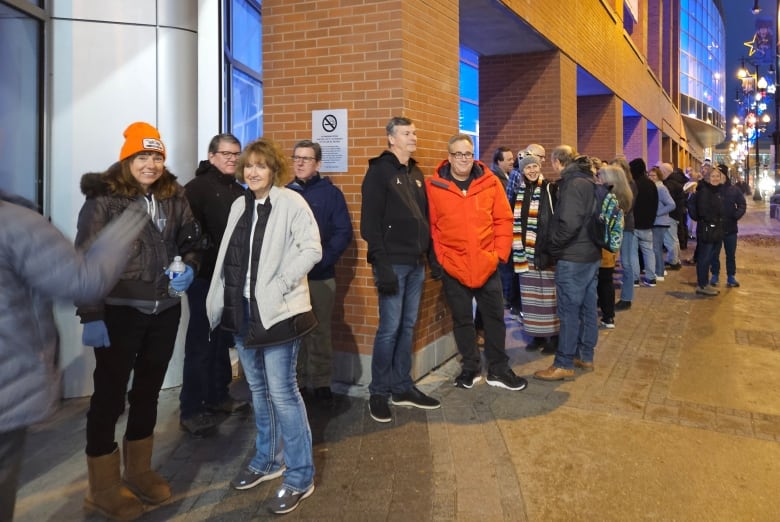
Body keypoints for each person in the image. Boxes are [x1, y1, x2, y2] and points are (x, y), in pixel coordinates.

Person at [75, 122, 201, 519]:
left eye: (157, 157)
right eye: (143, 157)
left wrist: (191, 268)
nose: (151, 164)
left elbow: (192, 241)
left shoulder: (174, 195)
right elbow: (86, 259)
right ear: (128, 158)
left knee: (146, 392)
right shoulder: (104, 200)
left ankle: (139, 470)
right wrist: (92, 314)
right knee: (109, 397)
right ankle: (103, 486)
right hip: (119, 312)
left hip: (163, 311)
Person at [0, 190, 147, 522]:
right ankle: (105, 489)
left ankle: (136, 473)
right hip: (8, 384)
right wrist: (121, 233)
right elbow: (81, 280)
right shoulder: (15, 222)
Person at [206, 137, 321, 514]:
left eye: (261, 166)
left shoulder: (291, 202)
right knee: (257, 390)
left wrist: (281, 282)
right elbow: (228, 255)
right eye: (249, 166)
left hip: (278, 312)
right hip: (242, 311)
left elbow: (311, 249)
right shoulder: (240, 204)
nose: (253, 172)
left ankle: (300, 475)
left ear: (274, 170)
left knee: (283, 393)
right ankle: (270, 460)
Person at [426, 134, 528, 391]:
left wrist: (498, 254)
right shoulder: (434, 186)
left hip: (487, 264)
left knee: (494, 319)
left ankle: (498, 369)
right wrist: (442, 259)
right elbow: (433, 228)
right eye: (458, 154)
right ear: (449, 157)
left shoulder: (489, 182)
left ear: (474, 156)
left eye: (468, 154)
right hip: (454, 267)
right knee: (462, 321)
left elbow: (503, 220)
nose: (464, 159)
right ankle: (470, 368)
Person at [360, 116, 441, 423]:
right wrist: (383, 266)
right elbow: (370, 223)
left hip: (416, 264)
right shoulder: (379, 172)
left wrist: (431, 259)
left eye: (414, 132)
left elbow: (425, 218)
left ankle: (401, 386)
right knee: (389, 330)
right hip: (392, 264)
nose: (413, 137)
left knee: (407, 328)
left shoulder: (416, 172)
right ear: (391, 139)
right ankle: (378, 392)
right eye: (407, 133)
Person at [179, 133, 248, 438]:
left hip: (229, 277)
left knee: (221, 339)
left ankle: (219, 397)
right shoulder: (195, 189)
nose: (231, 158)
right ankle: (192, 409)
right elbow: (187, 234)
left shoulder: (237, 189)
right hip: (205, 277)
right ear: (211, 156)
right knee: (201, 342)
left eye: (235, 154)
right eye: (225, 154)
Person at [287, 140, 353, 401]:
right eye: (297, 158)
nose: (301, 163)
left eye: (307, 158)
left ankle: (321, 382)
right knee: (295, 331)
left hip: (320, 276)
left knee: (320, 330)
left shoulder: (331, 194)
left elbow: (342, 232)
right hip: (292, 279)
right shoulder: (284, 194)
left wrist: (321, 260)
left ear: (318, 164)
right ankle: (299, 381)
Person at [534, 149, 601, 381]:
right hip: (591, 253)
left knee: (569, 311)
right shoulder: (588, 179)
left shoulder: (572, 184)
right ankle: (585, 355)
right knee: (588, 308)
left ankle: (563, 362)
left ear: (556, 162)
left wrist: (553, 247)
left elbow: (569, 223)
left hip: (573, 256)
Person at [506, 154, 559, 353]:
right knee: (531, 301)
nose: (532, 170)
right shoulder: (518, 193)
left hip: (545, 253)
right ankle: (536, 336)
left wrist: (550, 249)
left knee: (549, 299)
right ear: (522, 171)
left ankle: (553, 338)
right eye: (527, 168)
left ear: (540, 167)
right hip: (525, 256)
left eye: (534, 166)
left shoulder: (550, 189)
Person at [596, 166, 634, 329]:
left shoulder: (608, 198)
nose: (597, 179)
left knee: (603, 280)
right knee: (607, 280)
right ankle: (608, 315)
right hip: (612, 243)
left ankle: (607, 314)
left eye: (600, 176)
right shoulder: (624, 197)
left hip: (603, 244)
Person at [687, 165, 723, 296]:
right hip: (707, 228)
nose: (715, 178)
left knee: (709, 256)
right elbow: (703, 211)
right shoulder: (704, 191)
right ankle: (702, 284)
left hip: (715, 228)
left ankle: (704, 283)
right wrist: (712, 220)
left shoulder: (716, 190)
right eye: (712, 176)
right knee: (704, 257)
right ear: (708, 177)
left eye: (717, 176)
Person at [709, 164, 746, 288]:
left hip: (730, 229)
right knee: (714, 253)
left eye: (720, 174)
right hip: (716, 228)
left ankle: (731, 276)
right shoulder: (712, 189)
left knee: (730, 254)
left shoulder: (734, 190)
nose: (718, 177)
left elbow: (742, 204)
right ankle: (715, 275)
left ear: (724, 175)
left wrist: (735, 215)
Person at [610, 157, 638, 311]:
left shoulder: (631, 185)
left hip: (626, 227)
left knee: (626, 263)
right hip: (614, 226)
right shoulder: (612, 185)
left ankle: (627, 297)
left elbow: (627, 206)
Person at [629, 158, 659, 286]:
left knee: (633, 252)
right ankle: (650, 277)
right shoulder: (651, 184)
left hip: (634, 224)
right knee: (648, 251)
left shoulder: (632, 184)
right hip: (647, 224)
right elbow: (655, 203)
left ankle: (635, 278)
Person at [647, 166, 676, 282]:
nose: (651, 177)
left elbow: (671, 204)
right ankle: (660, 269)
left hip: (660, 222)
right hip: (656, 221)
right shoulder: (654, 187)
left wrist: (657, 213)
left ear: (659, 176)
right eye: (649, 175)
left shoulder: (660, 188)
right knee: (655, 247)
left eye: (654, 175)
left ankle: (659, 272)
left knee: (656, 248)